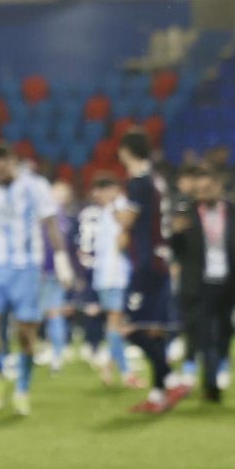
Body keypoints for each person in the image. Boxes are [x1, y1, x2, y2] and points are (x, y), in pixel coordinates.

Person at [0, 145, 74, 416]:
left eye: (1, 163)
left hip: (28, 269)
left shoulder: (36, 186)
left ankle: (22, 389)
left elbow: (51, 223)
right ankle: (0, 373)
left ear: (12, 162)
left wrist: (62, 262)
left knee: (25, 335)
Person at [169, 166, 235, 404]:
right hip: (198, 284)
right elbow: (176, 250)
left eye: (208, 188)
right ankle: (211, 384)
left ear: (218, 188)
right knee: (204, 334)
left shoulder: (234, 214)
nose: (203, 193)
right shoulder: (186, 213)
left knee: (225, 331)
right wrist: (175, 234)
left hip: (229, 282)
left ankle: (219, 368)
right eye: (199, 190)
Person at [116, 131, 189, 414]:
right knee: (155, 331)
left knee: (128, 327)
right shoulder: (157, 180)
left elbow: (128, 219)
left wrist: (117, 218)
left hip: (146, 263)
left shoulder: (139, 183)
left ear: (126, 152)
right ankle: (158, 396)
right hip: (161, 259)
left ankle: (171, 379)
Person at [86, 177, 141, 388]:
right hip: (113, 274)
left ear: (114, 189)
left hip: (114, 273)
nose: (97, 195)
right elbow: (122, 241)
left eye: (101, 189)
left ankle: (108, 367)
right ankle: (127, 373)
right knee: (116, 322)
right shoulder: (108, 211)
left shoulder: (120, 210)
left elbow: (124, 238)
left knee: (117, 322)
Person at [39, 180, 79, 373]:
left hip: (52, 271)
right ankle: (54, 349)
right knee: (50, 312)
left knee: (53, 312)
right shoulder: (64, 218)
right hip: (47, 270)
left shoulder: (58, 219)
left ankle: (57, 353)